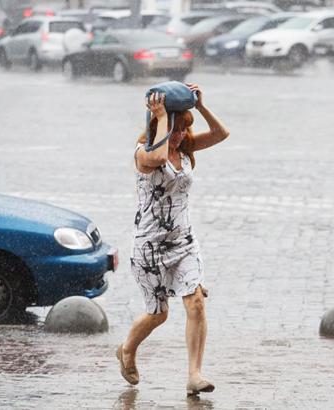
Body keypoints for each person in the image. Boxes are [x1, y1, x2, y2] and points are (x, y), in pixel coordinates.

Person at [116, 83, 230, 396]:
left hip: (184, 244)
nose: (179, 135)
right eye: (175, 129)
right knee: (158, 314)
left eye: (183, 129)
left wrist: (202, 106)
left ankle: (194, 374)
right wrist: (161, 117)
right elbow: (157, 153)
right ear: (158, 124)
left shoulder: (184, 150)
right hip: (149, 247)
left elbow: (222, 134)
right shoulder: (144, 155)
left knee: (195, 303)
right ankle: (127, 349)